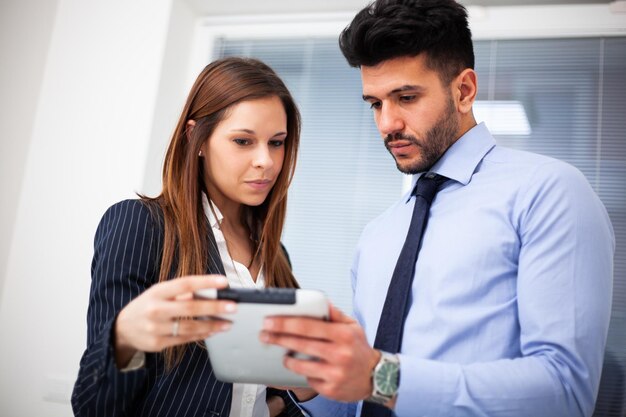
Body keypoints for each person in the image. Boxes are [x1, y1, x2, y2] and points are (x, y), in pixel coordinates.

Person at [260, 1, 615, 416]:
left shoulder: (549, 193)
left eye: (406, 97)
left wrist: (380, 375)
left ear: (463, 90)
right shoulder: (380, 234)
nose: (387, 123)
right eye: (375, 103)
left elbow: (564, 392)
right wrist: (308, 381)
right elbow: (364, 400)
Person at [71, 57, 306, 417]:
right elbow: (95, 406)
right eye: (243, 141)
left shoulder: (276, 255)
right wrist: (127, 339)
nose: (267, 161)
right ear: (196, 139)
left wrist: (283, 401)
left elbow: (273, 387)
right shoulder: (141, 225)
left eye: (277, 142)